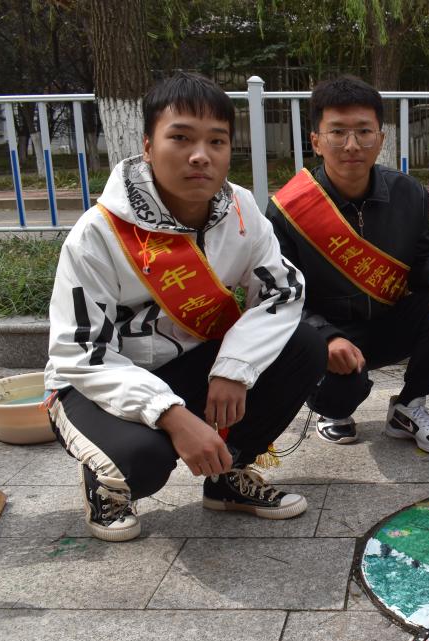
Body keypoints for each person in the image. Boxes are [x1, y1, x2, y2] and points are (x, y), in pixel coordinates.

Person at [45, 73, 326, 542]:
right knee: (142, 462)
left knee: (304, 346)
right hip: (97, 383)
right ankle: (107, 483)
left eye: (216, 141)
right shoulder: (98, 233)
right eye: (180, 138)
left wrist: (234, 368)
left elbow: (282, 292)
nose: (200, 155)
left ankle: (228, 476)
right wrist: (170, 414)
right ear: (148, 147)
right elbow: (80, 354)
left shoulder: (240, 210)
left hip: (191, 365)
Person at [266, 75, 429, 455]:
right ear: (316, 141)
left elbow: (423, 256)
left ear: (380, 139)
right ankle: (330, 410)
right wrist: (325, 337)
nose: (352, 145)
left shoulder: (407, 192)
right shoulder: (289, 209)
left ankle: (408, 407)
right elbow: (282, 294)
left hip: (388, 320)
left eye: (364, 132)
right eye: (337, 132)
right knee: (341, 391)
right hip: (330, 334)